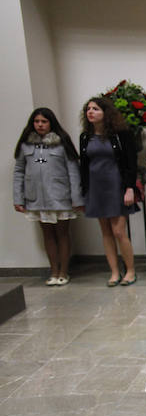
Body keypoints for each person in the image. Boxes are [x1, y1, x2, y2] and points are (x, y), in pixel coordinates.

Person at [13, 108, 82, 286]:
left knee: (62, 234)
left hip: (60, 197)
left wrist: (77, 198)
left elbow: (73, 172)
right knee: (48, 235)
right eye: (37, 121)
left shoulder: (62, 143)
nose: (40, 125)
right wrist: (18, 198)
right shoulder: (26, 145)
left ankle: (64, 272)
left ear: (51, 123)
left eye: (44, 121)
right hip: (36, 198)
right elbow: (19, 171)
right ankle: (54, 271)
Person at [79, 96, 139, 287]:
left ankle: (130, 271)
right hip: (96, 187)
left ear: (106, 113)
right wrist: (84, 192)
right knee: (105, 232)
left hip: (116, 186)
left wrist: (130, 188)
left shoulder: (121, 134)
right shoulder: (85, 137)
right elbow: (84, 165)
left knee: (119, 231)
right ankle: (114, 272)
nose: (91, 112)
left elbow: (131, 163)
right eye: (88, 109)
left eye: (95, 109)